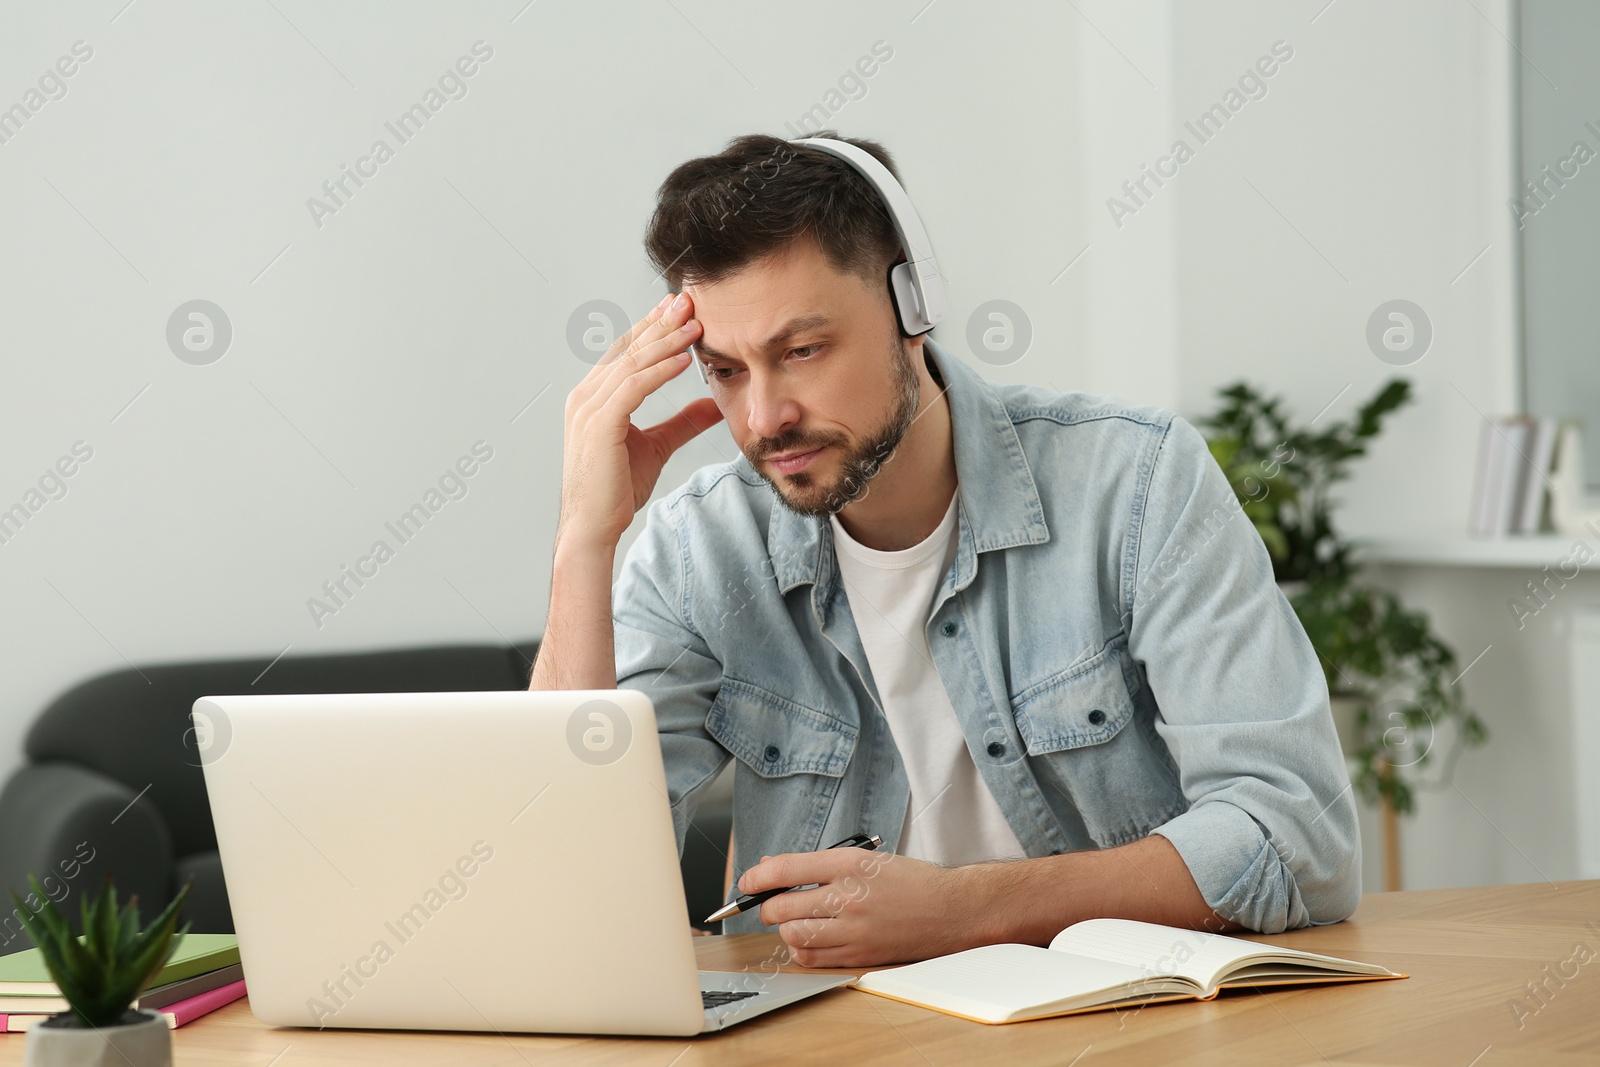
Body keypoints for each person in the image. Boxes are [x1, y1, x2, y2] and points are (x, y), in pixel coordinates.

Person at [530, 131, 1360, 967]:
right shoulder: (699, 551)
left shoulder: (1135, 484)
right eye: (726, 370)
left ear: (912, 307)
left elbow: (1297, 837)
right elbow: (562, 897)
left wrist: (967, 911)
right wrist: (582, 539)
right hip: (827, 1043)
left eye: (803, 350)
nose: (763, 416)